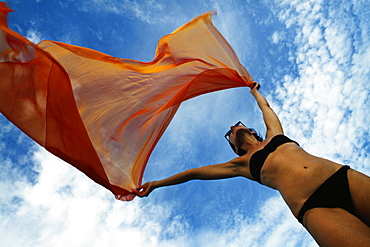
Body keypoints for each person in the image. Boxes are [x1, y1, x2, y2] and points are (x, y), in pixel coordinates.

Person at [135, 82, 370, 246]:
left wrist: (254, 92)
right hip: (314, 207)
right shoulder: (242, 164)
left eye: (235, 126)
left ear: (250, 129)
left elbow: (266, 108)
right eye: (229, 133)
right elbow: (195, 173)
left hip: (342, 178)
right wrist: (157, 184)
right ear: (235, 148)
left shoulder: (275, 134)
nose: (232, 128)